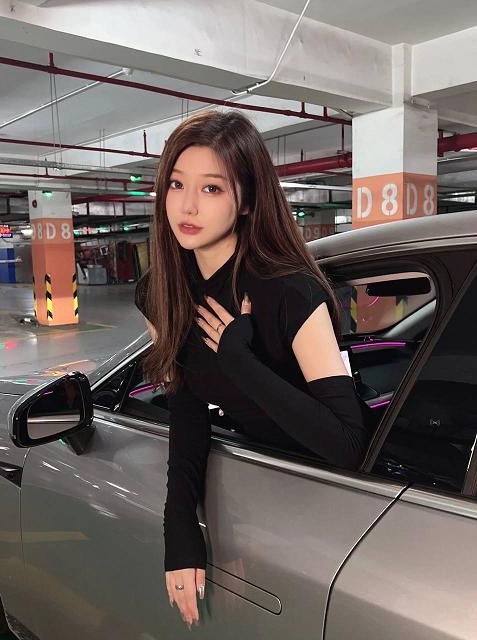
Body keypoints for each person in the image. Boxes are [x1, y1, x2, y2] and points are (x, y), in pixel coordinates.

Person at [135, 110, 371, 629]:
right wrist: (180, 533)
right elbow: (186, 410)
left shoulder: (290, 292)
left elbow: (348, 445)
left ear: (244, 200)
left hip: (326, 499)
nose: (187, 206)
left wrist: (241, 362)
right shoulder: (160, 293)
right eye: (176, 184)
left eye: (212, 188)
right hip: (256, 490)